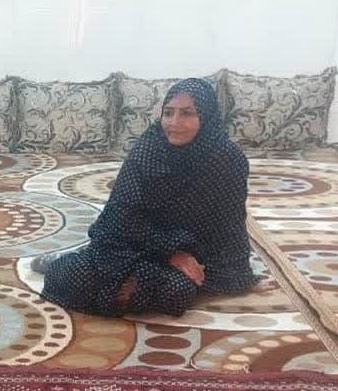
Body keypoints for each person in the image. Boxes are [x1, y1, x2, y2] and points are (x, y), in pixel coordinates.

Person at [36, 77, 262, 317]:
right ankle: (66, 263)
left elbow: (230, 223)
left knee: (178, 291)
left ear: (206, 117)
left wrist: (237, 271)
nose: (174, 123)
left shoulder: (228, 159)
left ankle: (126, 285)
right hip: (137, 241)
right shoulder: (148, 150)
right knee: (78, 276)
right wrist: (172, 253)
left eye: (186, 113)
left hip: (195, 249)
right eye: (168, 113)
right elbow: (121, 217)